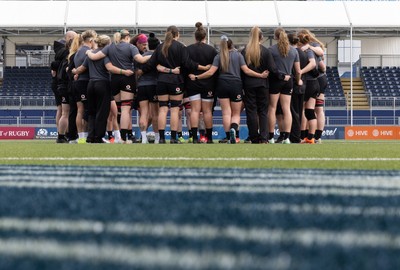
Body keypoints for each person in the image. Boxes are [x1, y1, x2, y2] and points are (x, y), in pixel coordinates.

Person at [189, 35, 269, 144]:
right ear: (232, 45)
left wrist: (197, 77)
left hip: (222, 85)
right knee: (236, 114)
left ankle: (228, 136)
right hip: (236, 85)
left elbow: (210, 72)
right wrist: (260, 75)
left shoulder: (219, 56)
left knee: (226, 113)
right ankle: (233, 128)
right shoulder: (238, 55)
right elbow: (246, 71)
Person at [141, 25, 209, 144]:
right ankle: (173, 138)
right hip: (176, 81)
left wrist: (142, 71)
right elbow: (188, 64)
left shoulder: (160, 47)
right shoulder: (180, 47)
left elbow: (149, 64)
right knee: (174, 110)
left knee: (162, 109)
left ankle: (161, 138)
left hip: (161, 81)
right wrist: (203, 67)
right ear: (177, 35)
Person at [86, 29, 150, 144]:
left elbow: (95, 57)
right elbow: (140, 59)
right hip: (127, 77)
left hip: (114, 79)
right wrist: (154, 54)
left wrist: (89, 52)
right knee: (126, 108)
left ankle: (118, 136)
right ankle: (124, 138)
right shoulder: (131, 47)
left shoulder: (110, 47)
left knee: (119, 110)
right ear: (127, 37)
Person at [241, 26, 288, 144]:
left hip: (248, 85)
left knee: (251, 112)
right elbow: (273, 69)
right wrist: (282, 76)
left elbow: (241, 70)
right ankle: (263, 138)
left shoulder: (244, 51)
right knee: (263, 112)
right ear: (261, 38)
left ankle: (253, 137)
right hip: (262, 85)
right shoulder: (265, 51)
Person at [267, 27, 301, 144]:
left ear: (276, 37)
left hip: (275, 81)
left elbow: (271, 67)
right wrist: (298, 80)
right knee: (287, 109)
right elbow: (298, 70)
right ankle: (286, 137)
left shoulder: (271, 50)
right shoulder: (293, 51)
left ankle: (271, 137)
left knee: (272, 108)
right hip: (288, 81)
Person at [185, 22, 218, 143]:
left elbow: (186, 65)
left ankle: (194, 138)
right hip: (208, 83)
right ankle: (209, 138)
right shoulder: (212, 50)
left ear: (195, 37)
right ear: (205, 37)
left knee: (194, 110)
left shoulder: (188, 49)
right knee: (207, 111)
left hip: (192, 82)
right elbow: (216, 68)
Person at [136, 33, 160, 143]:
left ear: (147, 45)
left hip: (141, 86)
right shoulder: (158, 56)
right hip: (153, 85)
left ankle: (144, 138)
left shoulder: (140, 57)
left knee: (144, 113)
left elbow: (137, 72)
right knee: (155, 114)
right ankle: (157, 138)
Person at [73, 30, 97, 143]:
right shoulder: (87, 52)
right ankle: (84, 136)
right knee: (87, 110)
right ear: (91, 40)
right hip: (85, 82)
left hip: (79, 83)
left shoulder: (78, 51)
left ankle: (81, 136)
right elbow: (85, 67)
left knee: (80, 110)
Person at [56, 30, 77, 143]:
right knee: (68, 113)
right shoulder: (70, 56)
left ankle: (61, 136)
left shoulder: (61, 54)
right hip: (66, 86)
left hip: (61, 86)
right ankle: (64, 136)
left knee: (65, 113)